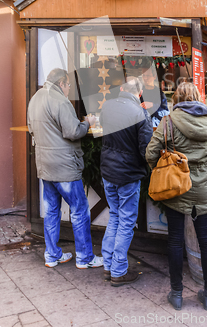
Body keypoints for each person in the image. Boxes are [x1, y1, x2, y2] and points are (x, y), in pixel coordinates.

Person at [146, 82, 207, 311]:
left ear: (177, 99)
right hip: (201, 189)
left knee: (175, 239)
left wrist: (164, 170)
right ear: (197, 96)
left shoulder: (168, 122)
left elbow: (150, 153)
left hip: (175, 187)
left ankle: (177, 294)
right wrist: (201, 176)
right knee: (205, 239)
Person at [27, 68, 103, 269]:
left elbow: (31, 128)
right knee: (79, 210)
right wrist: (87, 123)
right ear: (61, 83)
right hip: (65, 167)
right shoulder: (60, 100)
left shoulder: (35, 98)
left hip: (45, 166)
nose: (69, 88)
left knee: (51, 211)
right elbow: (72, 132)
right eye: (68, 84)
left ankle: (52, 256)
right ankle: (84, 257)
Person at [100, 76, 153, 286]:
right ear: (139, 93)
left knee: (114, 216)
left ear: (122, 88)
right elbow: (146, 149)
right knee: (127, 221)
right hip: (128, 174)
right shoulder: (140, 113)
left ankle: (108, 265)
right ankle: (119, 270)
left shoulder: (107, 106)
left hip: (108, 170)